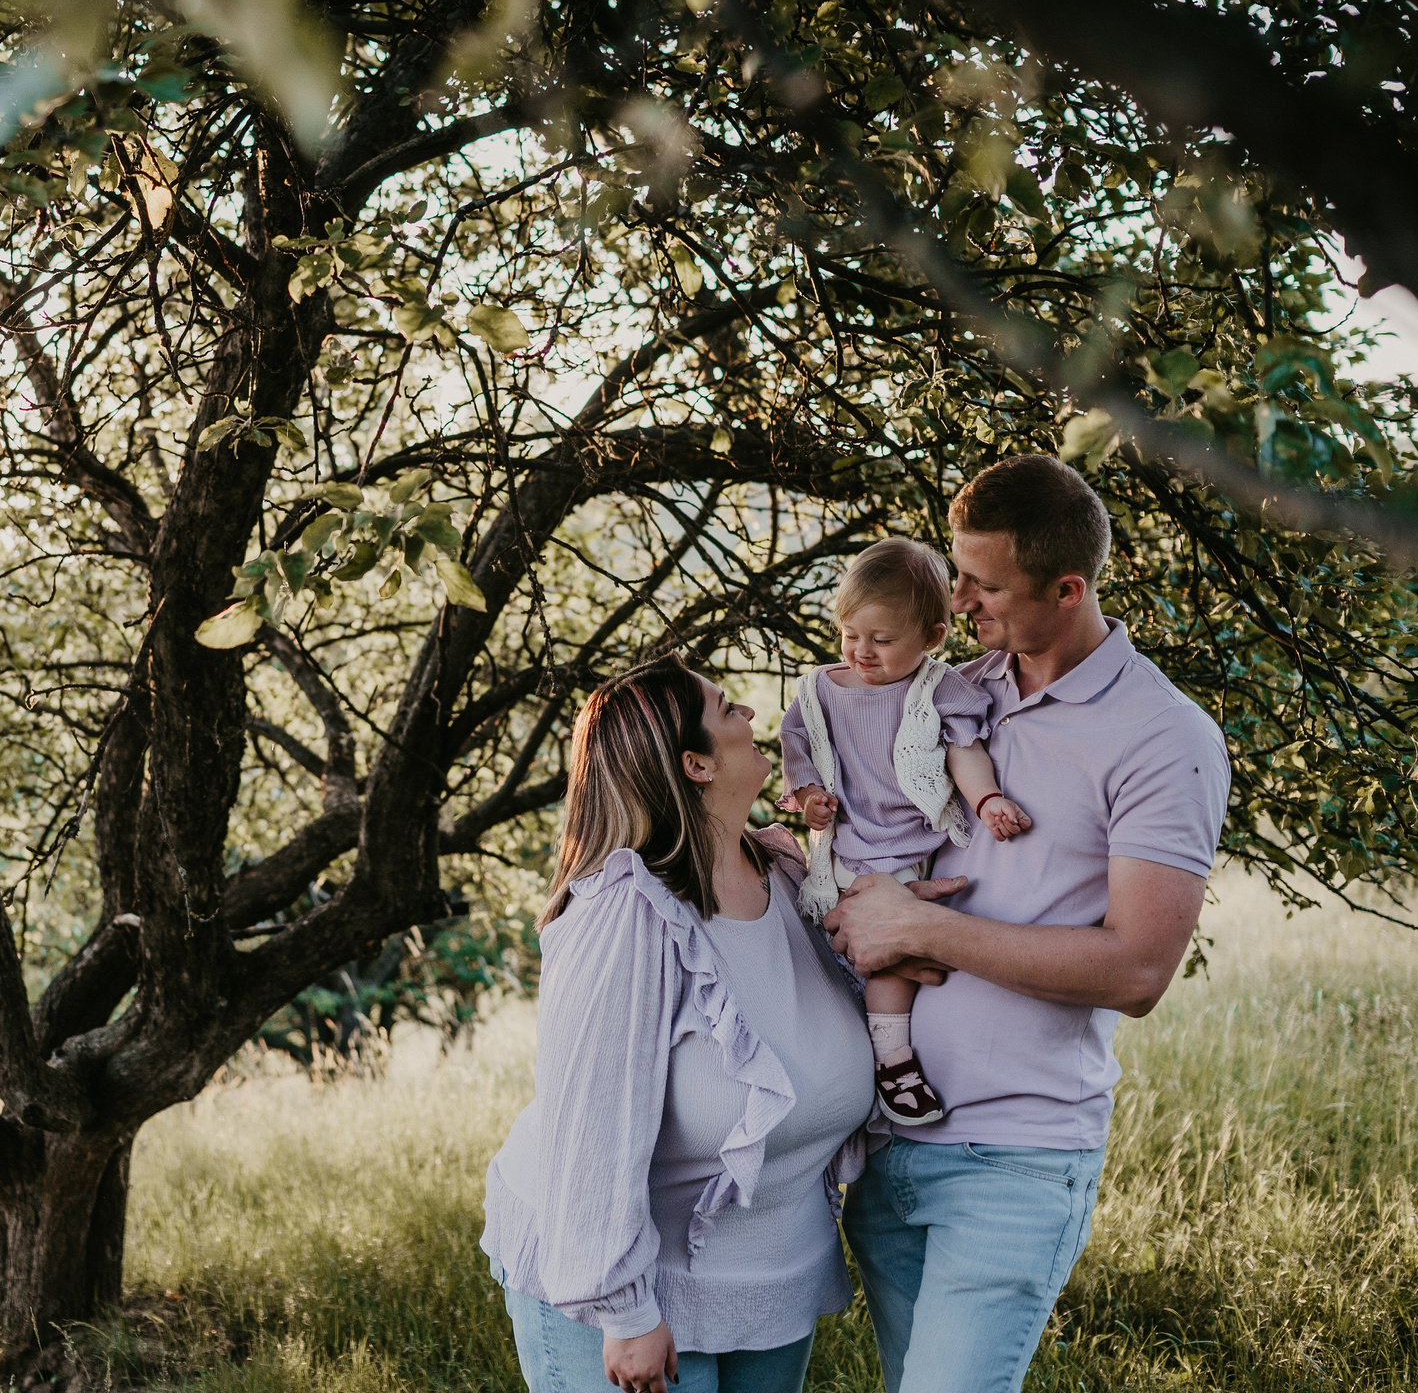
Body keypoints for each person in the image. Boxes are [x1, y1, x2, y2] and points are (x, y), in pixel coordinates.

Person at [823, 454, 1231, 1393]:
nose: (958, 600)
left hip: (1015, 1156)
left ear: (1068, 588)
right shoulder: (946, 691)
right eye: (958, 573)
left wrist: (919, 932)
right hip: (885, 1147)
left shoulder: (1163, 736)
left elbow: (1137, 971)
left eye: (985, 584)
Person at [481, 657, 942, 1393]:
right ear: (696, 764)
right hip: (625, 1288)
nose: (752, 719)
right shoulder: (630, 910)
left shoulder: (788, 873)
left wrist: (921, 921)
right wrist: (625, 1311)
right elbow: (590, 1124)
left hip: (773, 1284)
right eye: (728, 711)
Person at [778, 537, 1030, 1127]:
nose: (862, 652)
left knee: (887, 958)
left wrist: (986, 799)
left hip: (900, 850)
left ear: (932, 638)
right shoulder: (819, 690)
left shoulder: (935, 689)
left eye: (883, 640)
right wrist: (811, 798)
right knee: (823, 954)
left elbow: (962, 753)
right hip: (837, 848)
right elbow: (800, 750)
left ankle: (893, 1064)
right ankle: (835, 1076)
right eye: (851, 634)